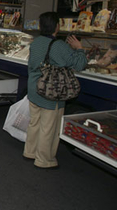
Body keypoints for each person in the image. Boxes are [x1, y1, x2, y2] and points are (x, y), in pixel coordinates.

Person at [23, 12, 87, 169]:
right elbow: (79, 65)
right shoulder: (58, 45)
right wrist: (79, 49)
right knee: (49, 127)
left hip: (33, 87)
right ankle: (44, 160)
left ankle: (30, 152)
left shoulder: (36, 42)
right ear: (57, 26)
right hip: (51, 91)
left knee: (35, 122)